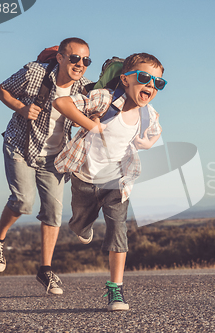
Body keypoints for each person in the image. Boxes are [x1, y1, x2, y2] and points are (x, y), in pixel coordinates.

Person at [53, 53, 165, 311]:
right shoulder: (105, 99)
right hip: (84, 176)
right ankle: (82, 226)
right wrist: (91, 126)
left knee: (119, 230)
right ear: (125, 79)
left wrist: (145, 143)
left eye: (157, 83)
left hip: (117, 181)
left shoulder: (148, 115)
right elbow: (62, 102)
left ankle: (116, 290)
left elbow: (156, 134)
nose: (150, 85)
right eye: (144, 77)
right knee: (80, 225)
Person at [0, 37, 92, 295]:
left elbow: (103, 106)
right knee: (23, 202)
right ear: (60, 57)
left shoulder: (85, 88)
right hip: (21, 146)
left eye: (86, 60)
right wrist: (21, 108)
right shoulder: (35, 73)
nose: (80, 64)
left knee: (53, 213)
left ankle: (45, 270)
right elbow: (2, 89)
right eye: (75, 58)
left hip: (55, 156)